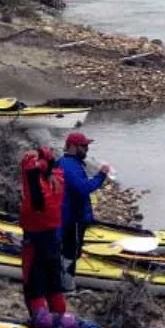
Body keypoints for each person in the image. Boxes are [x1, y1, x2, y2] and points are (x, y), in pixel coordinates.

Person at [59, 132, 110, 290]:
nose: (87, 149)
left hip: (75, 216)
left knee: (72, 251)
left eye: (87, 146)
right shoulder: (67, 165)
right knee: (70, 253)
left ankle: (65, 283)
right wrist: (101, 175)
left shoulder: (71, 163)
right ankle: (67, 287)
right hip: (71, 218)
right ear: (73, 147)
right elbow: (82, 188)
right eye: (84, 146)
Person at [19, 146, 66, 318]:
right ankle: (60, 318)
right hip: (52, 237)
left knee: (34, 284)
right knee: (54, 284)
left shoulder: (37, 189)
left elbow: (30, 173)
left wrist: (30, 159)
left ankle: (38, 320)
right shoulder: (58, 178)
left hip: (35, 238)